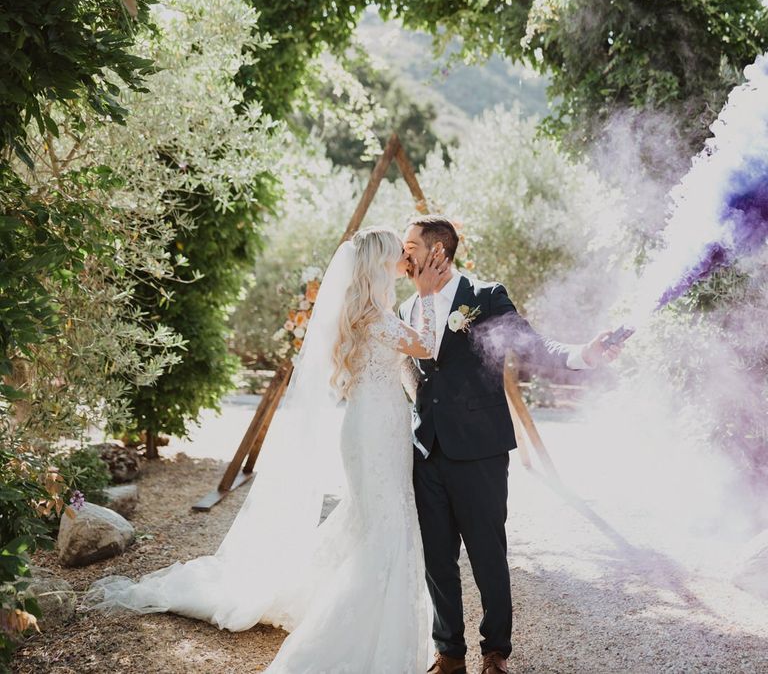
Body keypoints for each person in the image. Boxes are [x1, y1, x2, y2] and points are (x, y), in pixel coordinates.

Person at [85, 226, 451, 672]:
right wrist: (429, 292)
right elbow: (428, 346)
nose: (406, 259)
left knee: (370, 522)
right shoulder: (375, 317)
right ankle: (342, 636)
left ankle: (333, 604)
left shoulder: (368, 312)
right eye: (399, 252)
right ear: (380, 264)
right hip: (375, 434)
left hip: (373, 429)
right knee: (387, 528)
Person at [399, 215, 621, 674]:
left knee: (487, 554)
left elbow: (533, 346)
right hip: (426, 451)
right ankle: (449, 653)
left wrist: (584, 354)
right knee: (437, 559)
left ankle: (495, 651)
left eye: (410, 247)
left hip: (479, 450)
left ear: (438, 251)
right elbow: (413, 372)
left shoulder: (484, 297)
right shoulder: (407, 309)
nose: (404, 256)